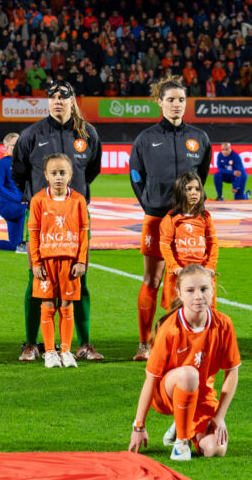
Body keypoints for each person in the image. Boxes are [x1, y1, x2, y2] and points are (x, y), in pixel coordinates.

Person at [12, 79, 103, 362]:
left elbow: (91, 171)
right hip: (41, 215)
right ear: (47, 101)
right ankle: (30, 344)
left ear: (73, 100)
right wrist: (37, 198)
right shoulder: (31, 134)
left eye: (63, 97)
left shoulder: (87, 133)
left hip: (75, 214)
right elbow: (18, 172)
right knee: (35, 279)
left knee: (80, 278)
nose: (58, 101)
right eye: (52, 97)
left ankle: (84, 344)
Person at [129, 76, 211, 361]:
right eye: (171, 100)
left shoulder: (199, 138)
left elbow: (201, 176)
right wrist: (150, 206)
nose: (176, 105)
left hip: (188, 222)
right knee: (152, 278)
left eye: (181, 100)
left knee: (187, 279)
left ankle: (179, 340)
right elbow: (136, 177)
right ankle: (144, 343)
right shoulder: (146, 138)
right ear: (160, 102)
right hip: (156, 219)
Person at [128, 265, 240, 463]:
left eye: (204, 289)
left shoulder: (223, 324)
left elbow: (232, 371)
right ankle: (181, 443)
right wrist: (139, 426)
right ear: (179, 293)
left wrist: (219, 417)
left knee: (216, 449)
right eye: (190, 290)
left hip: (202, 396)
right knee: (189, 374)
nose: (198, 296)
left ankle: (183, 425)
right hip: (165, 395)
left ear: (212, 289)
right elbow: (151, 379)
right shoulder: (170, 328)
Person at [27, 153, 89, 369]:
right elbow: (33, 234)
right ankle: (50, 352)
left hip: (70, 264)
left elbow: (83, 233)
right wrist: (35, 262)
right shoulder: (38, 200)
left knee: (67, 305)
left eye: (63, 173)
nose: (58, 177)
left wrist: (81, 261)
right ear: (46, 175)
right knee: (47, 305)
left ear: (70, 175)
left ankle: (65, 350)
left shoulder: (78, 200)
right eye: (54, 173)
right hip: (46, 263)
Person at [159, 172, 218, 310]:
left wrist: (210, 266)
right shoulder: (170, 219)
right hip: (179, 274)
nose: (194, 193)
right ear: (180, 192)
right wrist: (174, 267)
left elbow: (213, 243)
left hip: (202, 273)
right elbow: (165, 246)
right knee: (175, 316)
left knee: (206, 314)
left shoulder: (205, 217)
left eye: (197, 189)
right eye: (188, 189)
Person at [0, 133, 25, 252]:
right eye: (13, 145)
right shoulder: (3, 163)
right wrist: (18, 198)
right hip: (9, 206)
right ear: (6, 147)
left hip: (20, 204)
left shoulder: (24, 162)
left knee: (14, 245)